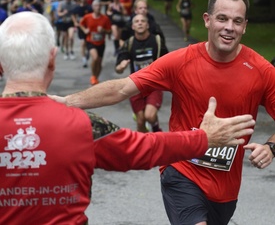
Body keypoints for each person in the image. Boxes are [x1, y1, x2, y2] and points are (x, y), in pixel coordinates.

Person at [0, 11, 255, 224]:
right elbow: (145, 147)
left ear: (1, 64)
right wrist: (203, 138)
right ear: (52, 60)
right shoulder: (82, 126)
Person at [50, 0, 275, 225]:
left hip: (226, 190)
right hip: (181, 172)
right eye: (222, 18)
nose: (229, 27)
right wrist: (67, 102)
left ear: (245, 26)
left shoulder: (261, 72)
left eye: (237, 21)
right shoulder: (181, 62)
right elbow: (122, 88)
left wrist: (271, 147)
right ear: (207, 20)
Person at [115, 14, 168, 132]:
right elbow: (118, 67)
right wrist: (121, 66)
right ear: (133, 26)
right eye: (137, 21)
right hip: (135, 86)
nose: (140, 23)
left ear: (147, 25)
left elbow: (168, 61)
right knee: (140, 122)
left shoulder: (157, 41)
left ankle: (157, 132)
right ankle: (146, 146)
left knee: (149, 115)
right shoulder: (129, 43)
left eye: (143, 21)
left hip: (153, 85)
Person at [79, 0, 112, 85]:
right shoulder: (88, 17)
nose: (98, 7)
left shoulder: (105, 18)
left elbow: (109, 31)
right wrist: (85, 30)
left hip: (101, 43)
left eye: (99, 6)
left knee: (99, 62)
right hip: (91, 41)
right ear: (93, 7)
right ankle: (93, 76)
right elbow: (81, 24)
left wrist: (103, 30)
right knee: (95, 58)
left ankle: (96, 78)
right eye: (96, 6)